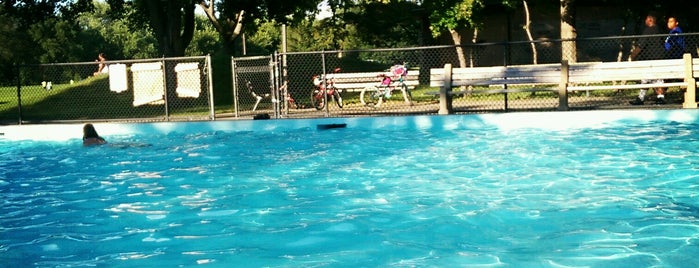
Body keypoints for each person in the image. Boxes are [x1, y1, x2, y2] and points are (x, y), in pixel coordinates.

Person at [629, 13, 665, 105]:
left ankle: (641, 98)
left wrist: (632, 56)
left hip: (649, 59)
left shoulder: (648, 31)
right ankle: (660, 97)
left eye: (646, 19)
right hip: (660, 58)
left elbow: (640, 45)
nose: (645, 21)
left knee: (645, 79)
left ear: (650, 20)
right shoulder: (659, 30)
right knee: (658, 79)